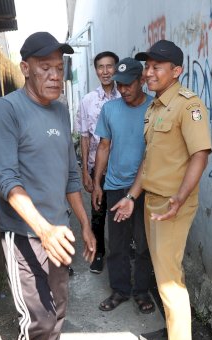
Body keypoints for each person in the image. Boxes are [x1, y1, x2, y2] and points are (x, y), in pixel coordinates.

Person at [0, 31, 96, 340]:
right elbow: (6, 179)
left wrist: (84, 224)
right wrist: (43, 230)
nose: (54, 75)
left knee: (58, 312)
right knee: (37, 321)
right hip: (24, 235)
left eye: (59, 69)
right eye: (44, 67)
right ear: (25, 68)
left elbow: (71, 174)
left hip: (59, 234)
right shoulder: (6, 109)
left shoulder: (61, 111)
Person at [111, 40, 212, 340]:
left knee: (169, 278)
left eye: (157, 67)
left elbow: (200, 155)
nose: (149, 72)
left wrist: (180, 199)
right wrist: (131, 196)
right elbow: (149, 161)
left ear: (176, 71)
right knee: (162, 269)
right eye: (148, 66)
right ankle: (173, 330)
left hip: (172, 205)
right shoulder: (155, 107)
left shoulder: (188, 104)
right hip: (152, 200)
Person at [90, 58, 155, 314]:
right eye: (120, 85)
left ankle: (141, 291)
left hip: (146, 187)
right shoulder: (110, 110)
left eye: (128, 85)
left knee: (143, 242)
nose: (124, 90)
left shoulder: (154, 108)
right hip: (116, 186)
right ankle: (120, 290)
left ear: (141, 81)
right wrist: (98, 183)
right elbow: (104, 146)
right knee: (117, 243)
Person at [75, 51, 120, 273]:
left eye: (109, 66)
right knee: (98, 212)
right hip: (97, 166)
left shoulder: (125, 97)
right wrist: (85, 171)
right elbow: (84, 137)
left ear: (116, 68)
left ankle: (121, 253)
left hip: (121, 167)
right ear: (95, 70)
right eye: (100, 67)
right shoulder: (88, 101)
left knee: (121, 211)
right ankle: (98, 253)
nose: (105, 71)